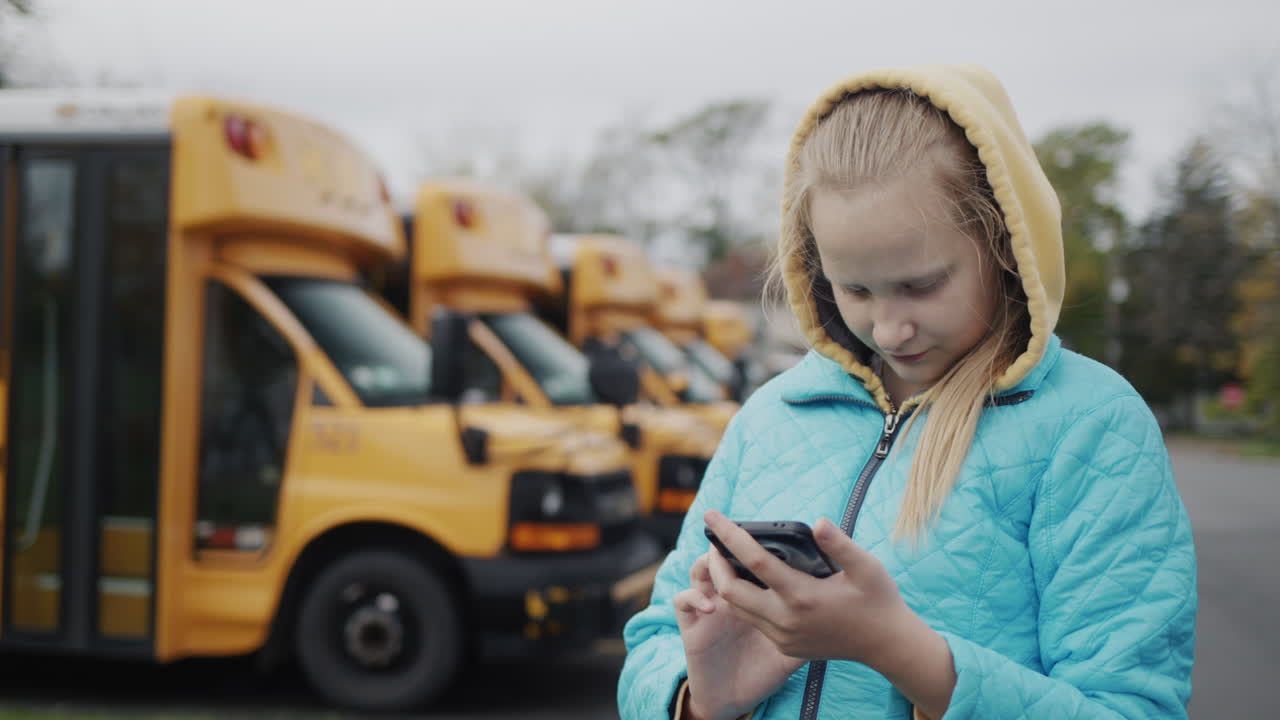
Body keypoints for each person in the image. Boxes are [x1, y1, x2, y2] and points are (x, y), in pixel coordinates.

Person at [617, 64, 1197, 720]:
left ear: (1003, 241)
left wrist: (897, 650)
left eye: (921, 285)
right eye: (855, 289)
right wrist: (700, 698)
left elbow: (1131, 710)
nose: (889, 328)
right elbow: (654, 639)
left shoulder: (1091, 425)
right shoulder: (772, 415)